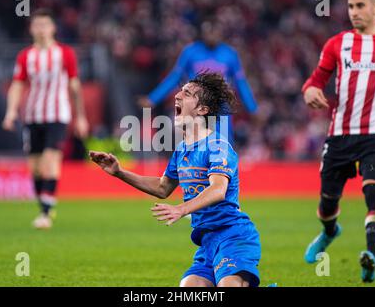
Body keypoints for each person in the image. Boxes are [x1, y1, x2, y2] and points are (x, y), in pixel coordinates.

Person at [90, 72, 261, 287]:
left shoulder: (218, 145)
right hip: (207, 243)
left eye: (187, 94)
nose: (177, 96)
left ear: (202, 110)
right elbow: (163, 187)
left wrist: (182, 209)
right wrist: (120, 172)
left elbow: (218, 190)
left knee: (228, 286)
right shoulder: (182, 149)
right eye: (180, 91)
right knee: (188, 288)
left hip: (234, 237)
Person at [302, 0, 375, 282]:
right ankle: (330, 231)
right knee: (327, 203)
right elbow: (315, 81)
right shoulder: (337, 44)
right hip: (341, 136)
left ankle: (370, 256)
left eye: (360, 5)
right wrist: (310, 92)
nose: (354, 11)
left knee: (373, 191)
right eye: (350, 6)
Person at [2, 9, 89, 229]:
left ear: (52, 28)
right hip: (32, 116)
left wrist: (80, 117)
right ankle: (44, 205)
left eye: (45, 25)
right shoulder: (25, 56)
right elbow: (18, 84)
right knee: (35, 167)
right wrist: (11, 111)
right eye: (37, 25)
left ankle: (46, 213)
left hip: (57, 115)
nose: (41, 29)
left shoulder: (65, 53)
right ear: (31, 29)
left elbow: (75, 85)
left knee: (51, 160)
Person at [138, 19, 258, 143]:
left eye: (215, 31)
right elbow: (175, 77)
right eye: (208, 31)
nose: (211, 34)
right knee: (196, 147)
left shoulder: (230, 54)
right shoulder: (190, 52)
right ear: (202, 32)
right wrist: (153, 99)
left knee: (223, 147)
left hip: (220, 108)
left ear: (220, 33)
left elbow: (241, 82)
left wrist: (252, 108)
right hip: (196, 106)